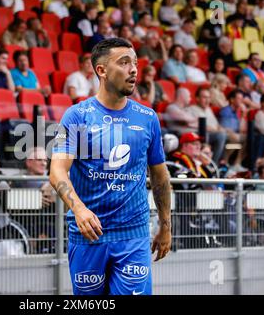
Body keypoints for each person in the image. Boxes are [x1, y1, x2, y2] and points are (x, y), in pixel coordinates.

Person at [50, 38, 172, 295]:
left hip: (133, 234)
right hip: (88, 235)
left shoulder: (148, 118)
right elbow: (57, 171)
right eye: (124, 62)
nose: (134, 70)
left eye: (136, 63)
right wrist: (79, 210)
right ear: (101, 71)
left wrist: (165, 225)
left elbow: (160, 177)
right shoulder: (76, 115)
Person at [186, 88, 227, 163]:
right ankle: (210, 164)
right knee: (219, 135)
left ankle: (217, 164)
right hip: (201, 135)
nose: (207, 100)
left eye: (209, 97)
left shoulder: (209, 109)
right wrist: (215, 130)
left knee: (223, 134)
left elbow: (216, 124)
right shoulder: (191, 109)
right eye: (204, 97)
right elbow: (194, 125)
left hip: (213, 134)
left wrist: (221, 128)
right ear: (197, 98)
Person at [219, 89, 247, 171]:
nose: (241, 101)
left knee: (249, 138)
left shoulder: (237, 113)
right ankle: (225, 161)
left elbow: (241, 130)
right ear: (232, 99)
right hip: (226, 134)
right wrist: (234, 134)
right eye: (239, 99)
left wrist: (243, 115)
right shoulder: (226, 110)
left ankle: (237, 163)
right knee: (235, 139)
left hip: (235, 136)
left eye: (242, 99)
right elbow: (225, 127)